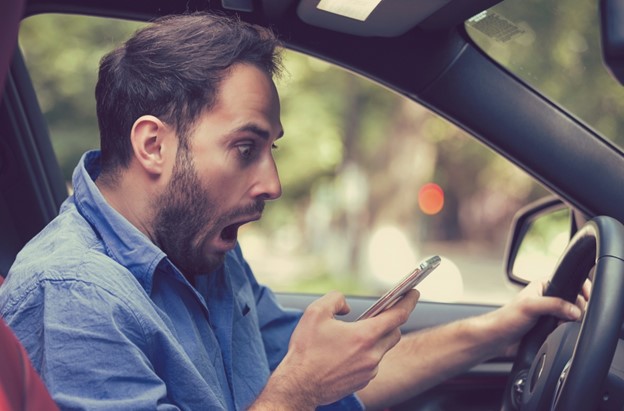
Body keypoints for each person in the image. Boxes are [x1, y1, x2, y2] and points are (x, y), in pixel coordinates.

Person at [0, 12, 584, 410]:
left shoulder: (202, 249)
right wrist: (298, 392)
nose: (273, 183)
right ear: (154, 145)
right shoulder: (72, 297)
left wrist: (500, 327)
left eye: (270, 151)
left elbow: (341, 378)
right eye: (244, 148)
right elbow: (304, 385)